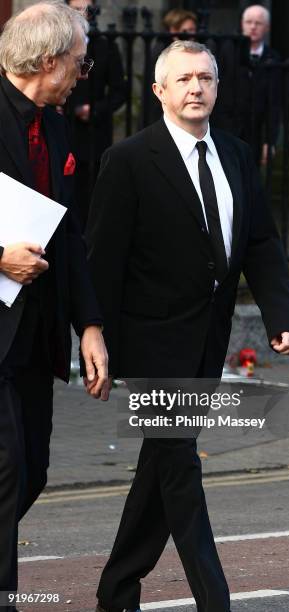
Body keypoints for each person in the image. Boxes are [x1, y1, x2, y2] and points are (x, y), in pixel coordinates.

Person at [86, 40, 289, 612]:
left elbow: (261, 242)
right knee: (179, 463)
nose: (195, 88)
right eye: (182, 80)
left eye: (204, 78)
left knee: (161, 462)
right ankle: (215, 598)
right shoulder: (129, 159)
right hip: (149, 342)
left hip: (208, 338)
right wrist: (91, 334)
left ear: (217, 87)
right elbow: (102, 259)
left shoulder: (234, 153)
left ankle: (116, 590)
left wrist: (282, 317)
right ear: (159, 91)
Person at [0, 2, 108, 609]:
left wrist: (89, 324)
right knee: (8, 464)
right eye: (78, 60)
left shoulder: (59, 125)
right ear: (47, 60)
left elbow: (69, 236)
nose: (82, 71)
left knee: (34, 468)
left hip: (37, 330)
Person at [64, 0, 126, 230]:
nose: (81, 14)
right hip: (63, 125)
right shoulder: (58, 44)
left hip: (94, 131)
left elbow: (120, 92)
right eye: (76, 9)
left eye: (86, 9)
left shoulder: (105, 46)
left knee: (91, 190)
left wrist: (96, 109)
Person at [213, 4, 281, 166]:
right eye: (248, 22)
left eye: (258, 23)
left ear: (267, 28)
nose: (253, 27)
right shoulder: (226, 51)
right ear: (242, 24)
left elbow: (274, 103)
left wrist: (269, 141)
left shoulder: (273, 58)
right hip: (225, 130)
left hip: (255, 134)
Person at [145, 9, 198, 126]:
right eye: (184, 30)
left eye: (192, 30)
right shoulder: (161, 51)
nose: (189, 34)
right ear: (173, 30)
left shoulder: (198, 52)